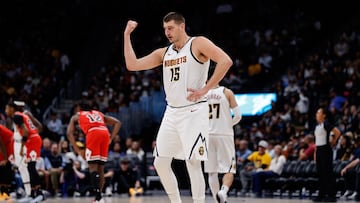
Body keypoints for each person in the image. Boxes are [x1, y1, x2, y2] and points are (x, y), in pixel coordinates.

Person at [123, 12, 232, 203]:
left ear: (182, 26)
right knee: (160, 162)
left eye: (170, 28)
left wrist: (205, 88)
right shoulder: (164, 53)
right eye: (165, 29)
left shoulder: (198, 43)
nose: (167, 32)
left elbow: (225, 61)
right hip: (172, 112)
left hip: (194, 110)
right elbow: (132, 65)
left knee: (193, 162)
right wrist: (126, 36)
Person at [67, 103, 121, 203]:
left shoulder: (78, 115)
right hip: (104, 132)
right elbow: (117, 122)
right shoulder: (98, 113)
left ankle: (98, 198)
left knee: (92, 167)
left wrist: (78, 150)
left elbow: (69, 133)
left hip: (93, 133)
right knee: (100, 169)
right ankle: (100, 197)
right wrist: (111, 138)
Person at [204, 85, 241, 203]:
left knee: (212, 171)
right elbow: (238, 116)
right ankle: (223, 192)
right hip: (224, 135)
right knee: (229, 169)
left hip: (208, 135)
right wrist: (228, 124)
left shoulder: (202, 94)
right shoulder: (227, 92)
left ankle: (217, 200)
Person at [5, 100, 45, 202]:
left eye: (7, 108)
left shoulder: (16, 116)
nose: (6, 110)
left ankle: (39, 193)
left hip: (32, 140)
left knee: (31, 167)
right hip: (32, 139)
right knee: (30, 167)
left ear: (12, 108)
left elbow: (26, 132)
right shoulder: (21, 115)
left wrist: (22, 148)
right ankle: (32, 193)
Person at [312, 107, 341, 202]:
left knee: (327, 173)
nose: (316, 114)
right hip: (319, 150)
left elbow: (337, 132)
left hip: (326, 150)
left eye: (318, 112)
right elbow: (316, 142)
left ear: (323, 115)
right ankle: (321, 194)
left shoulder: (326, 124)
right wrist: (315, 153)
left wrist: (333, 142)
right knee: (320, 174)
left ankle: (331, 195)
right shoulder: (317, 126)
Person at [0, 124, 14, 200]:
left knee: (5, 166)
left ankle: (6, 192)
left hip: (9, 143)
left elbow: (1, 144)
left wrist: (5, 159)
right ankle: (3, 192)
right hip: (5, 144)